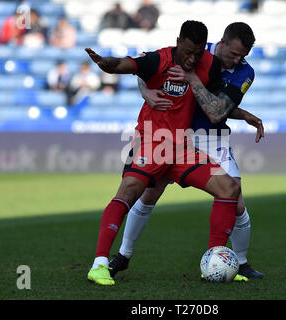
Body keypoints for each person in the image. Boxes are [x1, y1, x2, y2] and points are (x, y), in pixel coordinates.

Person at [85, 20, 244, 286]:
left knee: (229, 189)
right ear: (179, 41)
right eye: (187, 52)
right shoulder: (159, 59)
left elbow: (216, 106)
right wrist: (108, 64)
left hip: (183, 147)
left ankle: (215, 260)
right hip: (153, 142)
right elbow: (127, 65)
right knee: (128, 193)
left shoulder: (210, 65)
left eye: (197, 53)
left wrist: (245, 114)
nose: (191, 59)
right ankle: (99, 264)